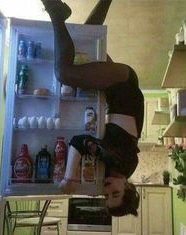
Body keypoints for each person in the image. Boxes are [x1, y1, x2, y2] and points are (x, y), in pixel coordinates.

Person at [41, 0, 144, 217]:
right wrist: (69, 178)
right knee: (64, 73)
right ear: (127, 187)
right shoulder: (123, 161)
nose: (107, 190)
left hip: (121, 90)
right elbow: (79, 141)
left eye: (107, 197)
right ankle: (56, 12)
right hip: (122, 86)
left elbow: (83, 143)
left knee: (85, 39)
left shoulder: (115, 168)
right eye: (114, 194)